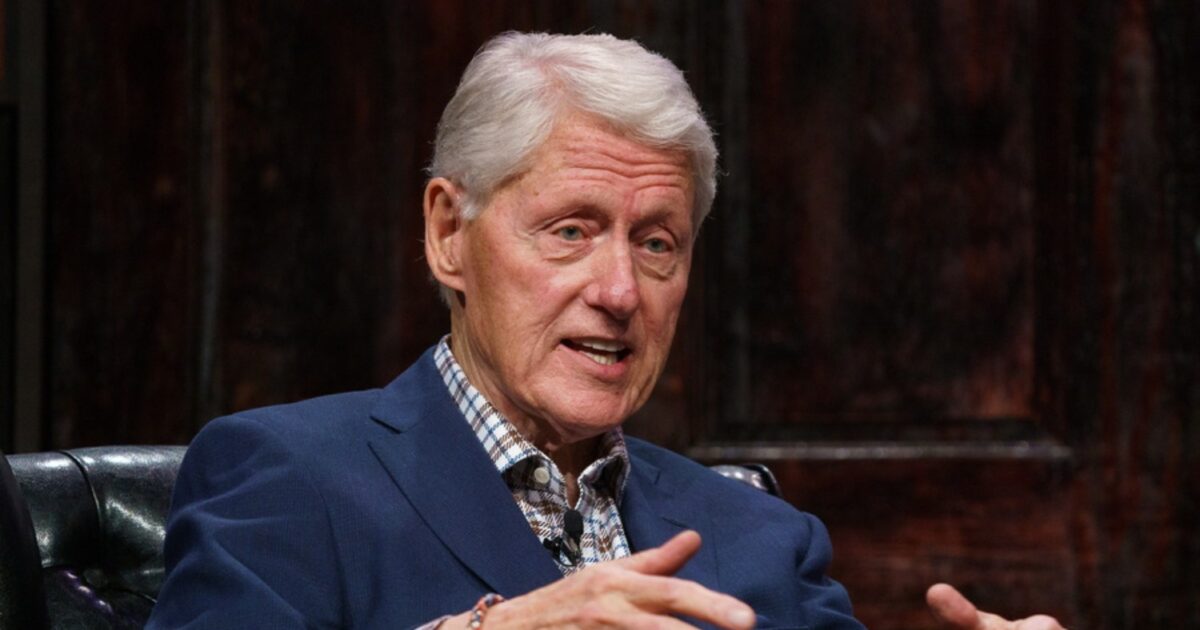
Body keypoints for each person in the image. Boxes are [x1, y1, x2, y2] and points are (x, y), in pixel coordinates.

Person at [148, 32, 1065, 630]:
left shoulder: (762, 539)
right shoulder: (287, 478)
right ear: (448, 234)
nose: (621, 291)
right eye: (571, 231)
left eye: (657, 243)